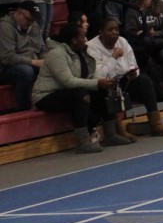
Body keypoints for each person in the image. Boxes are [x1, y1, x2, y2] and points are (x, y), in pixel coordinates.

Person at [32, 13, 115, 155]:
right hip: (46, 95)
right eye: (82, 37)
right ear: (74, 40)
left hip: (65, 91)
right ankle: (83, 142)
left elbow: (90, 73)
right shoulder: (56, 54)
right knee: (81, 94)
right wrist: (96, 82)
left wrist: (102, 82)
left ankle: (111, 134)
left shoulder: (79, 52)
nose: (85, 40)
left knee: (101, 91)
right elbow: (68, 81)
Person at [87, 15, 163, 141]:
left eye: (116, 29)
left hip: (125, 80)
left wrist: (133, 73)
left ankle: (155, 123)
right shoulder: (91, 47)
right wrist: (114, 57)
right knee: (106, 87)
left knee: (144, 80)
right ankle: (118, 129)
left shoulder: (122, 41)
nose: (115, 32)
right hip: (106, 84)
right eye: (110, 30)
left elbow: (133, 64)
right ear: (101, 32)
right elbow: (99, 75)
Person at [0, 2, 46, 111]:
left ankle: (46, 103)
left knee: (54, 64)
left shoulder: (33, 25)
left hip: (33, 63)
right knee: (25, 71)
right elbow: (7, 57)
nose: (31, 23)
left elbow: (42, 48)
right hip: (7, 68)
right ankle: (23, 109)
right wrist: (34, 62)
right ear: (18, 13)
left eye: (33, 20)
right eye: (29, 19)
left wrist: (46, 58)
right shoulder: (5, 27)